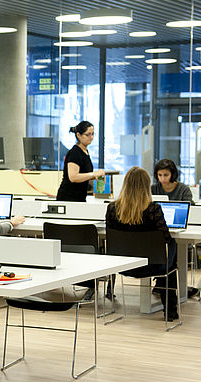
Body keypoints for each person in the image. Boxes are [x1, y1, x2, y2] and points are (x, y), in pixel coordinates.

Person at [105, 167, 179, 321]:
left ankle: (109, 290)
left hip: (122, 265)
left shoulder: (112, 208)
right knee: (173, 246)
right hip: (153, 265)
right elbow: (165, 238)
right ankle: (170, 311)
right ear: (147, 186)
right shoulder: (153, 209)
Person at [56, 120, 105, 202]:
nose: (91, 137)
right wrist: (93, 174)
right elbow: (73, 177)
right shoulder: (75, 153)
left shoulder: (85, 152)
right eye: (88, 135)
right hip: (69, 198)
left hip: (80, 197)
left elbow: (83, 174)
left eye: (93, 134)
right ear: (78, 135)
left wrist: (95, 177)